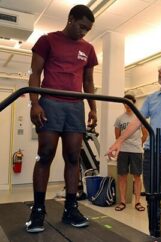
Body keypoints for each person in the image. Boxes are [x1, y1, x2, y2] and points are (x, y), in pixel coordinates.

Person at [26, 5, 98, 233]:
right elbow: (35, 73)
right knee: (45, 154)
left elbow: (88, 82)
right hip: (50, 102)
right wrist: (34, 103)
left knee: (73, 157)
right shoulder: (47, 40)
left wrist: (93, 108)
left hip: (75, 106)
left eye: (87, 29)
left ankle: (70, 208)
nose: (84, 32)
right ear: (70, 19)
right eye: (81, 26)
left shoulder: (88, 48)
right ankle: (38, 211)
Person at [108, 57, 161, 242]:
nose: (160, 71)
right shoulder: (152, 98)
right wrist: (119, 141)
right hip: (150, 153)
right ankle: (155, 236)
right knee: (152, 197)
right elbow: (137, 121)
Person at [114, 94, 148, 212]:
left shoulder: (139, 117)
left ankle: (137, 202)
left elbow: (145, 134)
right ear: (123, 104)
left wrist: (138, 144)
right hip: (123, 151)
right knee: (122, 176)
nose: (127, 105)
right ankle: (122, 201)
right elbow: (118, 137)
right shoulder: (119, 119)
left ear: (134, 103)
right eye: (125, 103)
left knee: (137, 176)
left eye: (130, 103)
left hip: (136, 151)